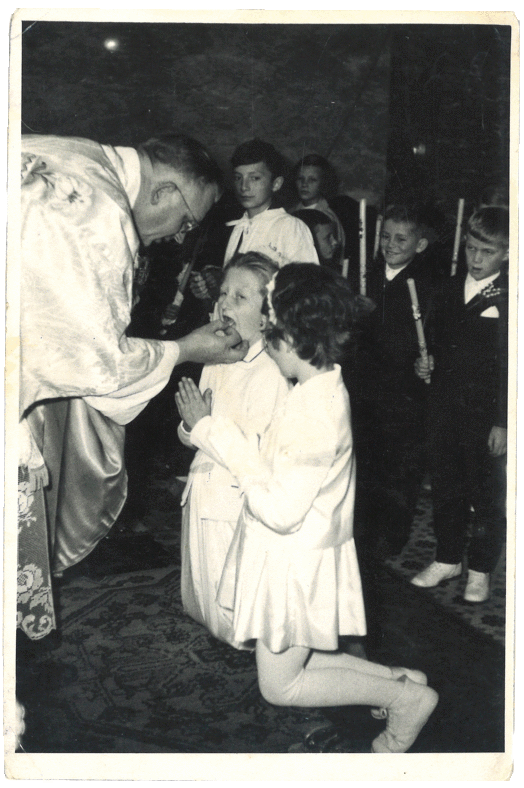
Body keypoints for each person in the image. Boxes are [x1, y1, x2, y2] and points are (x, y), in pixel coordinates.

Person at [175, 264, 438, 754]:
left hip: (294, 563)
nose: (267, 347)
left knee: (281, 686)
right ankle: (402, 684)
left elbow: (278, 509)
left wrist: (212, 431)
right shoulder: (315, 387)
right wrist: (214, 433)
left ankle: (405, 703)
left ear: (291, 337)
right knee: (301, 662)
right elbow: (273, 469)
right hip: (291, 557)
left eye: (270, 336)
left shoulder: (316, 411)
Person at [17, 132, 249, 641]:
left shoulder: (71, 150)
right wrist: (186, 349)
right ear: (163, 191)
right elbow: (100, 364)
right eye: (187, 221)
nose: (178, 237)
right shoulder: (102, 218)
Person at [177, 253, 290, 643]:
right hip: (202, 488)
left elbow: (256, 452)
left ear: (265, 317)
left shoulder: (271, 372)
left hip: (231, 499)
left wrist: (201, 424)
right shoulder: (217, 357)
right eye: (223, 293)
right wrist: (190, 424)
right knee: (201, 595)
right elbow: (194, 424)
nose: (225, 303)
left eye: (240, 297)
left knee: (233, 608)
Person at [410, 207, 509, 603]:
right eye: (471, 248)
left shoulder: (510, 296)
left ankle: (481, 568)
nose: (477, 258)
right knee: (447, 486)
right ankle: (448, 556)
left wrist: (503, 421)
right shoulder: (448, 288)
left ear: (507, 253)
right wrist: (424, 362)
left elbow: (511, 367)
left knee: (485, 492)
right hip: (445, 406)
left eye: (487, 251)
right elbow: (432, 341)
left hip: (486, 415)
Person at [354, 203, 439, 559]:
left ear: (419, 245)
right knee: (363, 462)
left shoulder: (430, 286)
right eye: (385, 236)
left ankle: (392, 533)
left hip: (403, 394)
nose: (389, 244)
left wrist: (429, 361)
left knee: (399, 470)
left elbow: (431, 340)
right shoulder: (363, 276)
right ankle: (360, 529)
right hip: (363, 388)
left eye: (400, 238)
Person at [189, 138, 319, 301]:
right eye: (238, 178)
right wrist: (214, 291)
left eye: (254, 178)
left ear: (276, 184)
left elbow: (309, 291)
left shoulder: (290, 227)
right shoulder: (237, 228)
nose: (244, 187)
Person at [293, 153, 346, 268]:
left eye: (312, 180)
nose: (304, 185)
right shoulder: (291, 211)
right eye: (300, 179)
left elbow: (333, 258)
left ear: (323, 183)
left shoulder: (328, 217)